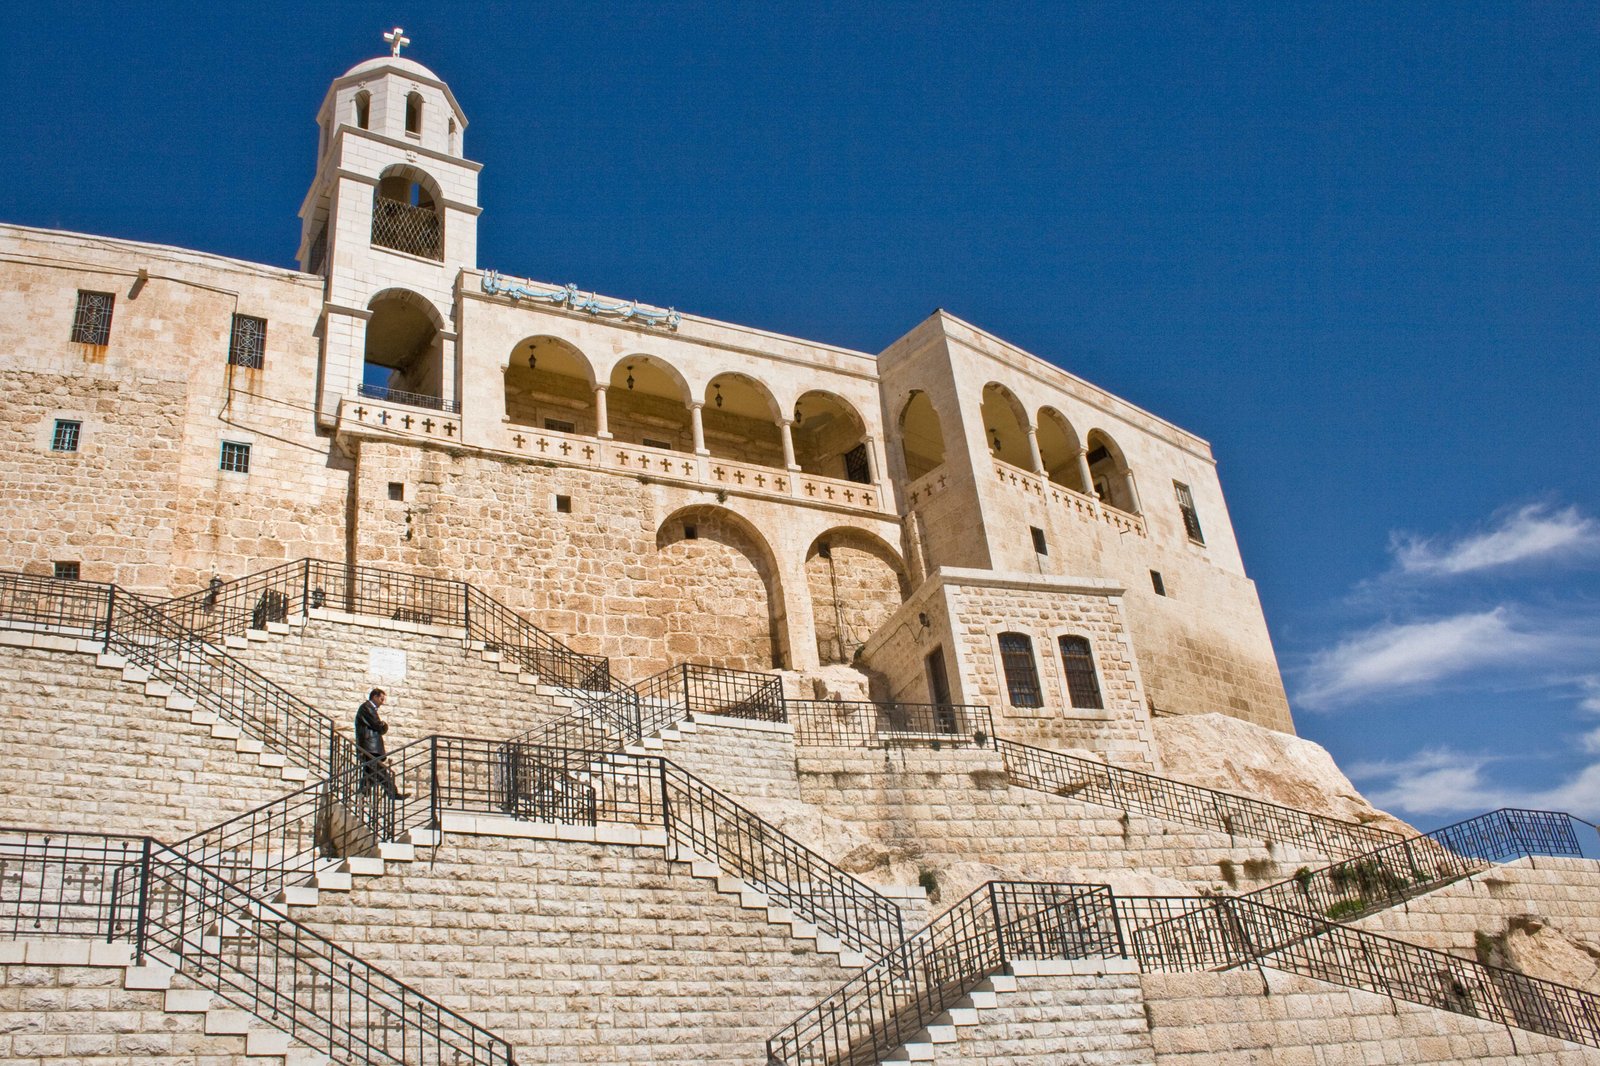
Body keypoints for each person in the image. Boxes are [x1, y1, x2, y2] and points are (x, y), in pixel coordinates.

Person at [355, 688, 406, 799]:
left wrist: (382, 726)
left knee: (370, 772)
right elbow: (378, 725)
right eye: (381, 699)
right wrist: (383, 725)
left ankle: (362, 794)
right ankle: (393, 793)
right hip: (370, 747)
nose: (382, 702)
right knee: (381, 772)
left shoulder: (368, 708)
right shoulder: (367, 707)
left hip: (370, 747)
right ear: (375, 697)